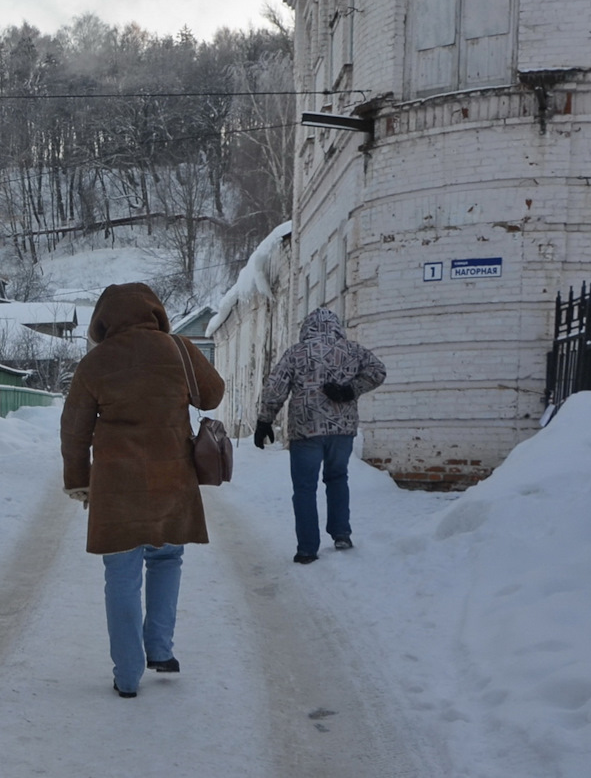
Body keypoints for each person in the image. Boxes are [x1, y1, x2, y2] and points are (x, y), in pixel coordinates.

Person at [61, 282, 225, 699]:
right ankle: (160, 649)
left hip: (117, 485)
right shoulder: (180, 349)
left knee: (121, 574)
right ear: (155, 312)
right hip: (173, 478)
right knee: (167, 558)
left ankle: (129, 674)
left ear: (103, 320)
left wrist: (79, 480)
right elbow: (213, 395)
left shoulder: (95, 364)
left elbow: (74, 431)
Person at [253, 307, 387, 564]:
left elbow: (275, 387)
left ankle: (306, 549)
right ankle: (341, 534)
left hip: (306, 431)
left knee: (304, 488)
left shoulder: (296, 353)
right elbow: (378, 372)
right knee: (337, 478)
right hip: (342, 431)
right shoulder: (353, 350)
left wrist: (264, 420)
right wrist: (350, 390)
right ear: (336, 326)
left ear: (308, 327)